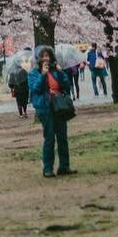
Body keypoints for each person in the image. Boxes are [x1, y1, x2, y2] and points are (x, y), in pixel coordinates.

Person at [27, 47, 74, 176]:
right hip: (45, 107)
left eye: (47, 56)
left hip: (59, 106)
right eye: (43, 56)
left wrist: (61, 72)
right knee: (49, 137)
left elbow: (66, 86)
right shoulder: (33, 73)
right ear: (39, 59)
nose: (45, 58)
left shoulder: (55, 71)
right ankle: (48, 168)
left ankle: (64, 166)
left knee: (62, 137)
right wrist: (43, 74)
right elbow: (36, 88)